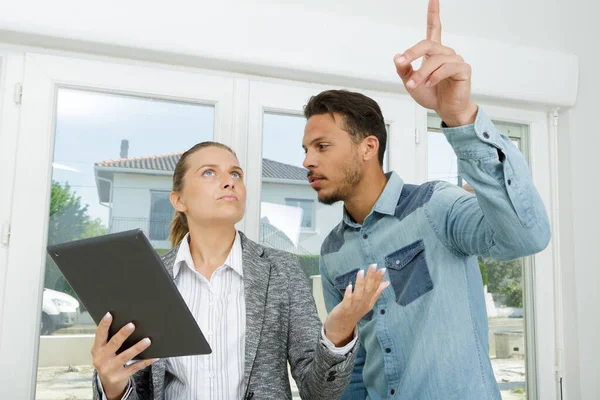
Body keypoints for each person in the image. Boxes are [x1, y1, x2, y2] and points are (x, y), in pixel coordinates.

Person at [302, 1, 551, 399]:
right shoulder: (332, 253)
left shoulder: (435, 206)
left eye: (322, 146)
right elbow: (354, 371)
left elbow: (528, 236)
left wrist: (461, 116)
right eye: (306, 148)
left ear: (368, 147)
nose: (307, 161)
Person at [90, 141, 389, 400]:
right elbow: (137, 386)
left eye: (236, 174)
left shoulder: (282, 271)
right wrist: (112, 386)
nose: (229, 181)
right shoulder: (146, 282)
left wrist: (337, 335)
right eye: (209, 172)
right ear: (179, 200)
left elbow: (319, 392)